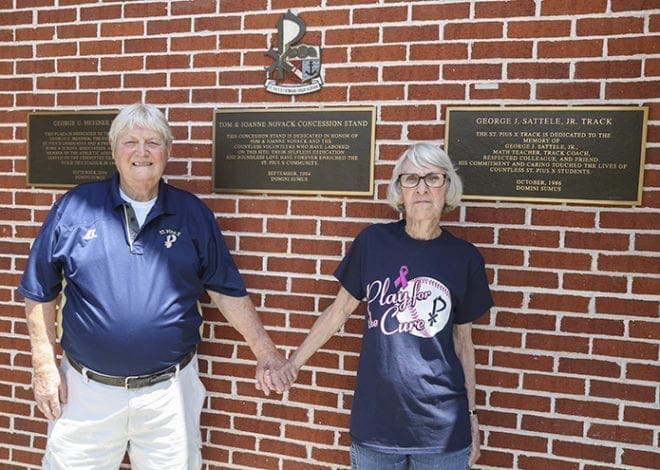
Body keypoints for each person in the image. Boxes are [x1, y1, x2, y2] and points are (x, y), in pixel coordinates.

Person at [18, 103, 295, 469]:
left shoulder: (192, 214)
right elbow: (39, 291)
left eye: (153, 142)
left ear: (168, 150)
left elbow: (225, 290)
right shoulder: (75, 208)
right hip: (86, 394)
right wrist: (44, 367)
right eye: (130, 142)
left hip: (169, 395)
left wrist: (265, 351)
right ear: (113, 149)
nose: (141, 152)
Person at [279, 142, 493, 469]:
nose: (422, 189)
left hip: (442, 432)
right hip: (376, 425)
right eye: (411, 179)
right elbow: (338, 311)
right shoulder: (373, 243)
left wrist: (472, 416)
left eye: (433, 178)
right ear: (399, 190)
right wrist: (294, 362)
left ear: (447, 187)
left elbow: (464, 343)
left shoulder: (464, 258)